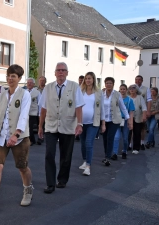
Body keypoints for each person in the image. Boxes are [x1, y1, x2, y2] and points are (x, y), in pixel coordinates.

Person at [0, 64, 33, 212]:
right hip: (1, 136)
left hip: (19, 137)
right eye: (8, 76)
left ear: (19, 78)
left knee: (22, 167)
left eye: (13, 76)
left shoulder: (25, 95)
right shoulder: (2, 94)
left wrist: (16, 134)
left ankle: (28, 191)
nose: (10, 79)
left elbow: (24, 116)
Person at [38, 62, 84, 194]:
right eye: (58, 70)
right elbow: (43, 108)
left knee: (66, 155)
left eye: (63, 70)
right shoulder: (48, 88)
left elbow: (79, 106)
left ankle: (62, 179)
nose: (61, 72)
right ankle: (50, 183)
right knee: (49, 154)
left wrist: (79, 124)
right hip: (51, 125)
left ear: (67, 73)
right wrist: (40, 126)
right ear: (55, 73)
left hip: (68, 125)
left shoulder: (75, 87)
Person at [78, 72, 105, 176]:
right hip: (81, 122)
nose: (88, 80)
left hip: (93, 123)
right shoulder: (81, 91)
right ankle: (85, 160)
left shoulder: (98, 93)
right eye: (86, 78)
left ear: (93, 80)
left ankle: (88, 166)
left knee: (89, 143)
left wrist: (103, 124)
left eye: (89, 78)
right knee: (83, 143)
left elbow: (101, 108)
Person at [101, 77, 129, 166]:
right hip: (104, 120)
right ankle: (107, 154)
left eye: (110, 83)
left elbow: (122, 106)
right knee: (105, 138)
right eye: (107, 83)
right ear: (105, 84)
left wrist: (128, 117)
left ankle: (108, 157)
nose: (108, 85)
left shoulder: (117, 94)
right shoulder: (101, 94)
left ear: (113, 84)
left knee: (110, 137)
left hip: (114, 120)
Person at [111, 84, 134, 160]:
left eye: (124, 89)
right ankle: (114, 153)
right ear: (119, 90)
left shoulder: (130, 100)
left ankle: (124, 151)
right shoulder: (116, 99)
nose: (123, 90)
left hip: (125, 120)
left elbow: (131, 112)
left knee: (125, 138)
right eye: (121, 89)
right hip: (117, 120)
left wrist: (130, 122)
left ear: (126, 90)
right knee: (116, 137)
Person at [128, 84, 147, 154]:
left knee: (137, 132)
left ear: (136, 90)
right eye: (130, 89)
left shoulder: (140, 97)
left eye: (133, 88)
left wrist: (144, 116)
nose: (132, 90)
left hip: (138, 116)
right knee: (128, 132)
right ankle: (128, 145)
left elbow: (144, 108)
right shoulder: (128, 97)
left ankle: (136, 148)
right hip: (129, 117)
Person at [135, 75, 151, 150]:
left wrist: (148, 111)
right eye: (136, 79)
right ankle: (132, 144)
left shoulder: (146, 89)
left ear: (142, 81)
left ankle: (142, 142)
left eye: (139, 80)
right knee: (132, 128)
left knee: (142, 128)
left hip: (142, 112)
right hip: (134, 111)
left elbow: (149, 101)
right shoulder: (132, 87)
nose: (137, 81)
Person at [26, 78, 40, 146]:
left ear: (34, 84)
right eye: (28, 82)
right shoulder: (24, 91)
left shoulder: (37, 92)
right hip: (26, 112)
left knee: (30, 127)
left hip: (33, 112)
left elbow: (39, 103)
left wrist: (39, 113)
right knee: (27, 127)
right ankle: (32, 140)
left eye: (31, 83)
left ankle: (31, 140)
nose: (29, 84)